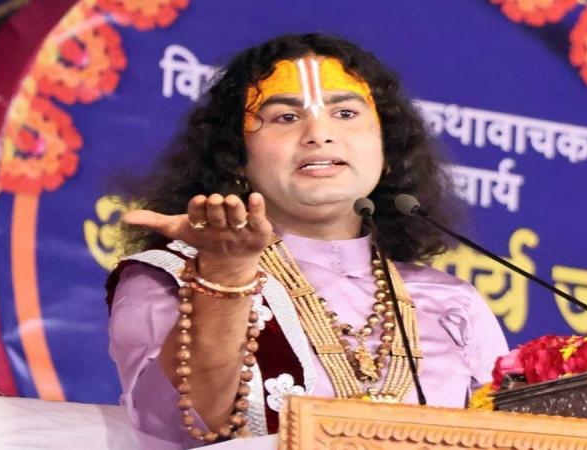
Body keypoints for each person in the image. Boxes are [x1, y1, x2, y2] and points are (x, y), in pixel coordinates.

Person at [107, 33, 508, 449]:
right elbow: (176, 428)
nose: (319, 134)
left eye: (346, 113)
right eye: (285, 117)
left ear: (387, 150)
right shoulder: (173, 277)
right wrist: (224, 277)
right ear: (235, 156)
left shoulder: (453, 304)